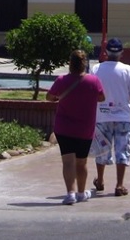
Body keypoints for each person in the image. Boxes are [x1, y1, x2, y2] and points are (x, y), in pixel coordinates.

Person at [46, 49, 105, 205]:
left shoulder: (61, 80)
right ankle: (81, 193)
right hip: (85, 129)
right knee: (82, 162)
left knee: (68, 162)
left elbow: (49, 97)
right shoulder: (94, 81)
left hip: (64, 128)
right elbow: (101, 97)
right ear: (85, 64)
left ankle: (70, 194)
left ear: (70, 63)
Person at [91, 37, 130, 198]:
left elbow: (91, 92)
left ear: (106, 52)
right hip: (123, 117)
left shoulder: (96, 69)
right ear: (121, 53)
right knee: (122, 150)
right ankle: (119, 185)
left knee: (101, 150)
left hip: (101, 116)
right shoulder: (127, 70)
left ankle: (100, 181)